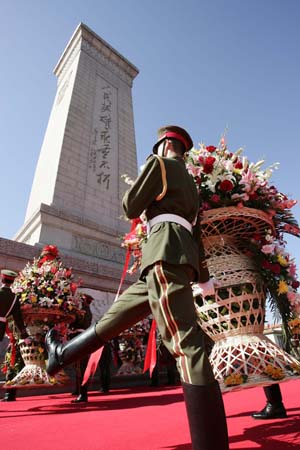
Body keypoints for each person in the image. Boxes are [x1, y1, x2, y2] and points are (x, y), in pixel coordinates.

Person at [45, 125, 229, 450]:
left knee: (187, 343)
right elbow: (196, 233)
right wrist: (202, 277)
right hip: (177, 258)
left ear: (163, 145)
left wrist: (148, 170)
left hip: (162, 254)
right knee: (114, 319)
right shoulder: (191, 185)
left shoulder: (160, 165)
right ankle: (61, 355)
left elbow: (131, 205)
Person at [0, 269, 29, 401]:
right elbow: (18, 319)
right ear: (12, 282)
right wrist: (25, 335)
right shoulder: (15, 298)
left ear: (2, 279)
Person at [70, 294, 94, 403]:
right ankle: (80, 391)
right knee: (79, 367)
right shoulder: (87, 311)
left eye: (82, 300)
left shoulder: (83, 312)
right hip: (83, 339)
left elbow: (77, 323)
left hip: (79, 340)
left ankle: (82, 394)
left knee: (80, 368)